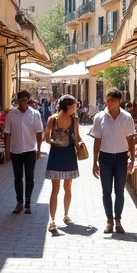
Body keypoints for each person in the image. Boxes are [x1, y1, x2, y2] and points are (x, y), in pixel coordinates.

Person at [90, 88, 137, 234]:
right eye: (107, 100)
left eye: (112, 100)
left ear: (119, 101)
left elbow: (131, 138)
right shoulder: (99, 117)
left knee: (119, 191)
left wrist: (132, 158)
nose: (108, 103)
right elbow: (97, 140)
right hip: (105, 158)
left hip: (121, 158)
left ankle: (118, 220)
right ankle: (109, 220)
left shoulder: (127, 117)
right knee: (106, 191)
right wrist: (94, 162)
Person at [43, 95, 80, 232]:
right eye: (74, 106)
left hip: (67, 155)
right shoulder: (53, 119)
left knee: (67, 186)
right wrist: (54, 141)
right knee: (56, 188)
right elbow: (46, 137)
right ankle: (52, 219)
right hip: (59, 155)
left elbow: (76, 139)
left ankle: (65, 214)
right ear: (67, 106)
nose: (75, 108)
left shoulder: (74, 120)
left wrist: (80, 145)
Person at [3, 90, 44, 214]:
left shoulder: (35, 114)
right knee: (18, 177)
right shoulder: (11, 114)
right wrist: (7, 151)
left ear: (28, 100)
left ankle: (28, 203)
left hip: (30, 150)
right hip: (16, 151)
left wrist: (39, 149)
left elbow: (39, 132)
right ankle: (19, 202)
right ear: (18, 100)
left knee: (30, 177)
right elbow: (7, 134)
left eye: (25, 99)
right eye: (21, 99)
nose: (23, 101)